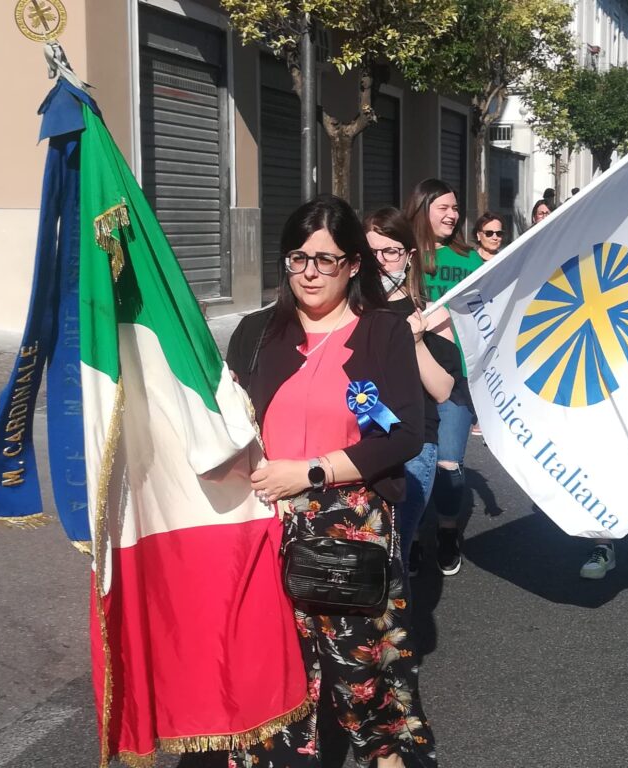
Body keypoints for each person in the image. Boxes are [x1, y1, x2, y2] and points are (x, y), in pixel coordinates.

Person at [225, 195, 437, 767]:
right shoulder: (255, 333)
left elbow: (397, 436)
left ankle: (384, 757)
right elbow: (226, 424)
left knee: (360, 673)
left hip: (349, 529)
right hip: (265, 527)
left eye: (327, 259)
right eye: (299, 258)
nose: (311, 273)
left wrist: (311, 471)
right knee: (273, 680)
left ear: (351, 266)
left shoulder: (381, 335)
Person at [363, 206, 462, 578]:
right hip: (355, 442)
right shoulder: (347, 310)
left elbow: (443, 390)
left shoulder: (430, 313)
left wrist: (418, 342)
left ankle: (395, 634)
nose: (381, 262)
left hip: (414, 447)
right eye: (371, 252)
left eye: (390, 252)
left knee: (396, 552)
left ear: (409, 256)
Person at [405, 178, 482, 576]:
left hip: (458, 377)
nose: (453, 215)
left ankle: (448, 530)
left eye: (456, 208)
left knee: (448, 462)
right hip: (408, 375)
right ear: (422, 209)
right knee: (412, 459)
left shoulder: (470, 259)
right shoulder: (403, 255)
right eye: (444, 208)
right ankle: (413, 533)